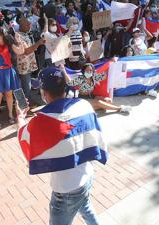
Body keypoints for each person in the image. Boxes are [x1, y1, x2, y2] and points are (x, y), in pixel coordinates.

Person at [17, 67, 104, 225]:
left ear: (44, 93)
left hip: (66, 190)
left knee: (80, 207)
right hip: (87, 175)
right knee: (84, 206)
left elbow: (24, 138)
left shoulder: (40, 122)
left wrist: (20, 118)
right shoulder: (83, 105)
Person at [60, 63, 131, 114]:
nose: (89, 72)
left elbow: (104, 75)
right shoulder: (81, 78)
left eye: (90, 70)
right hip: (82, 99)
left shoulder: (94, 77)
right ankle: (119, 108)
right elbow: (70, 82)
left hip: (92, 96)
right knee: (99, 102)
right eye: (87, 70)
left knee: (108, 101)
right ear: (83, 71)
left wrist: (110, 64)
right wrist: (63, 70)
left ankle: (91, 107)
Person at [15, 18, 45, 106]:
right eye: (28, 25)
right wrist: (38, 43)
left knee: (26, 86)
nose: (29, 26)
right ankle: (24, 106)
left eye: (30, 24)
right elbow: (26, 51)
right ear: (22, 26)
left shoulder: (25, 34)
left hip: (28, 65)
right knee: (25, 87)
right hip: (23, 66)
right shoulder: (18, 36)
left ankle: (25, 105)